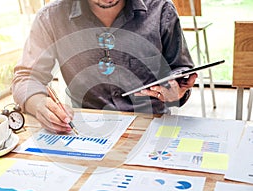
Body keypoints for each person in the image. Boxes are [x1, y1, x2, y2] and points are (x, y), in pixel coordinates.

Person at [12, 0, 197, 133]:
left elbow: (180, 71)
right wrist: (38, 104)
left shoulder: (161, 10)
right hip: (84, 130)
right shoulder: (51, 17)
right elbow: (26, 78)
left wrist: (176, 91)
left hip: (152, 127)